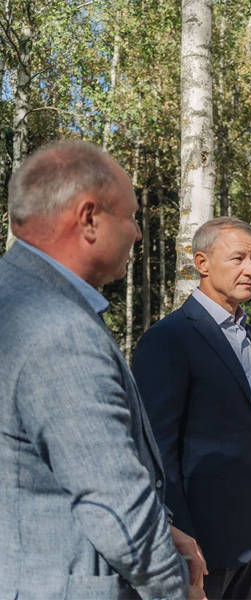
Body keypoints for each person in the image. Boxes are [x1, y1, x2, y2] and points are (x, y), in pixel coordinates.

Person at [0, 141, 206, 599]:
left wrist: (164, 526)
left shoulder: (15, 298)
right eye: (131, 216)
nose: (137, 233)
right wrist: (175, 590)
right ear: (89, 218)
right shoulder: (57, 330)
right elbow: (117, 508)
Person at [133, 217, 251, 600]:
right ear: (202, 263)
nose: (250, 270)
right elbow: (155, 451)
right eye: (237, 259)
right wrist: (178, 540)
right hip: (199, 544)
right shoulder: (168, 339)